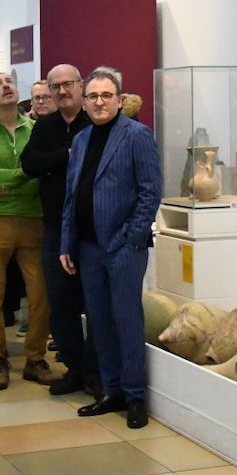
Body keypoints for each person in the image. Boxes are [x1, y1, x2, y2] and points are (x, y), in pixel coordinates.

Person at [60, 67, 161, 429]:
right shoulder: (82, 139)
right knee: (99, 322)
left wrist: (132, 237)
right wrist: (67, 242)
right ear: (84, 102)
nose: (99, 102)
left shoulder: (136, 135)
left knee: (127, 321)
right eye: (93, 96)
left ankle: (135, 397)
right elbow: (72, 195)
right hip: (87, 248)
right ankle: (111, 389)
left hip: (123, 248)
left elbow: (150, 191)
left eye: (106, 95)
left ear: (119, 100)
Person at [0, 70, 56, 391]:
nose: (6, 86)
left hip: (33, 218)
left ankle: (35, 359)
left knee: (40, 295)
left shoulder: (36, 129)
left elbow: (44, 173)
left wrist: (8, 176)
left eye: (10, 82)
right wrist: (28, 172)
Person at [22, 64, 98, 396]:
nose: (62, 91)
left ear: (81, 86)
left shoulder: (95, 123)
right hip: (55, 227)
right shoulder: (45, 125)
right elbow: (29, 164)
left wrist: (52, 164)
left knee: (95, 304)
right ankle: (75, 369)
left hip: (92, 228)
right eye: (56, 86)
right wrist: (66, 156)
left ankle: (95, 371)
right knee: (61, 302)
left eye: (68, 84)